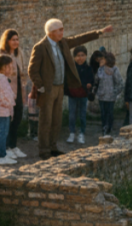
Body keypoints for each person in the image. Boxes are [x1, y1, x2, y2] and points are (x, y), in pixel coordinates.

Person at [28, 18, 114, 160]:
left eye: (62, 29)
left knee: (57, 119)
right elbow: (32, 69)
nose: (62, 32)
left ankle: (53, 147)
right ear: (51, 32)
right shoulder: (40, 47)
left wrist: (99, 32)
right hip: (48, 89)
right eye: (59, 30)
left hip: (60, 88)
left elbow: (80, 39)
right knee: (46, 120)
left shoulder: (62, 43)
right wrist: (41, 86)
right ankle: (44, 151)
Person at [0, 29, 28, 159]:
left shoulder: (19, 53)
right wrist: (0, 77)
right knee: (6, 120)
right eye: (13, 39)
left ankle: (13, 145)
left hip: (18, 89)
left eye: (17, 39)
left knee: (18, 117)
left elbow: (23, 68)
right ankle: (6, 147)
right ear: (7, 41)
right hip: (6, 90)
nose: (16, 42)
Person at [66, 46, 94, 145]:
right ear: (74, 57)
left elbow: (91, 80)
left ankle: (82, 133)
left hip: (83, 94)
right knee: (72, 114)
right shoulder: (72, 69)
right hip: (73, 94)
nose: (80, 58)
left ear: (86, 56)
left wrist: (90, 85)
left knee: (82, 114)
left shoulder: (88, 68)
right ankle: (72, 133)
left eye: (82, 55)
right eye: (78, 56)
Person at [95, 51, 123, 136]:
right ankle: (104, 127)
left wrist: (114, 93)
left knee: (109, 113)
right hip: (102, 96)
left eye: (103, 59)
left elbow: (120, 83)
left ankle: (109, 128)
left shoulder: (115, 70)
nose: (100, 60)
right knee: (103, 113)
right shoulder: (100, 69)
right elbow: (97, 81)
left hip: (110, 97)